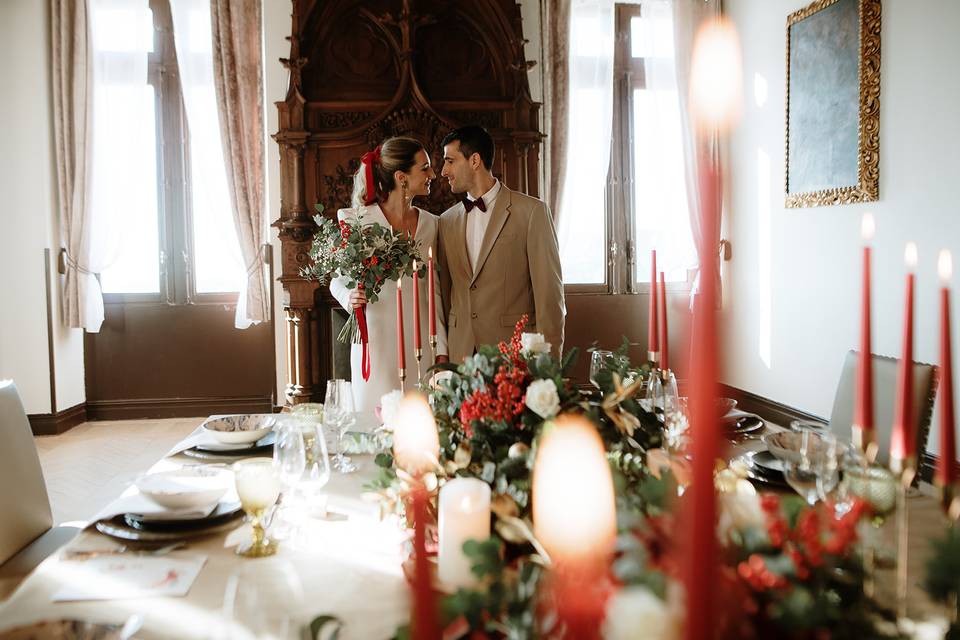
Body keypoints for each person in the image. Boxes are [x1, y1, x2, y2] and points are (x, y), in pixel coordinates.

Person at [329, 137, 448, 417]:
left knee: (421, 425)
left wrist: (441, 347)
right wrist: (350, 296)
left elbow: (436, 290)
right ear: (401, 177)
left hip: (421, 341)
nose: (433, 175)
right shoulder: (356, 220)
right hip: (377, 339)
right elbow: (337, 280)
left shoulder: (432, 223)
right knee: (375, 423)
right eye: (425, 168)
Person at [437, 125, 565, 363]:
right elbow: (445, 295)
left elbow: (550, 298)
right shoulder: (446, 221)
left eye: (450, 161)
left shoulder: (532, 213)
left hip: (513, 354)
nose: (443, 171)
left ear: (474, 160)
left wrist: (549, 366)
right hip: (460, 355)